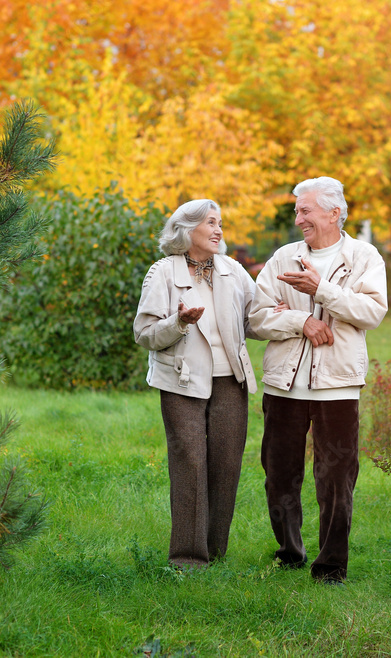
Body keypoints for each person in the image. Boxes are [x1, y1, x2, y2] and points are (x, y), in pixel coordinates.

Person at [249, 176, 388, 584]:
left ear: (334, 211)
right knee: (278, 474)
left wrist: (322, 290)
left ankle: (330, 567)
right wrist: (301, 320)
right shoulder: (283, 258)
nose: (299, 219)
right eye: (297, 211)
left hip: (337, 387)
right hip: (283, 386)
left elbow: (372, 312)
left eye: (305, 210)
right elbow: (256, 318)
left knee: (336, 480)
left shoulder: (364, 256)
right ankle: (289, 553)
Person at [133, 199, 260, 569]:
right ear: (187, 230)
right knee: (190, 465)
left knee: (226, 466)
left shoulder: (233, 271)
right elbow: (144, 333)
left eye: (220, 223)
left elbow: (255, 319)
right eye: (210, 223)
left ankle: (215, 552)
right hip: (182, 383)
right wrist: (179, 322)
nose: (219, 230)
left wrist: (288, 319)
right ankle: (187, 558)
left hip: (230, 382)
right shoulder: (162, 273)